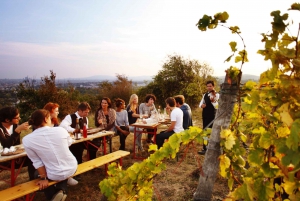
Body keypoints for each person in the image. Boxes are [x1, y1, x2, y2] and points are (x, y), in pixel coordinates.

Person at [23, 109, 77, 201]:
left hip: (54, 174)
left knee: (37, 174)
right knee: (59, 173)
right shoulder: (61, 130)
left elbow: (37, 162)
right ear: (45, 119)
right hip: (72, 167)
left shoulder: (27, 139)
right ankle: (61, 190)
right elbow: (68, 143)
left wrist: (43, 178)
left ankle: (54, 195)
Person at [44, 102, 78, 186]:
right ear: (49, 112)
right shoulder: (40, 124)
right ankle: (64, 179)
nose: (58, 113)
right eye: (56, 111)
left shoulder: (55, 122)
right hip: (46, 148)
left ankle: (67, 177)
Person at [0, 106, 35, 180]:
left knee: (35, 155)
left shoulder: (14, 126)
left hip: (15, 156)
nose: (19, 119)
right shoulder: (1, 129)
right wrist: (18, 130)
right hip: (4, 160)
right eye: (17, 117)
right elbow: (6, 145)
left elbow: (16, 145)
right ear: (7, 120)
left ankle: (34, 180)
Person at [198, 80, 219, 155]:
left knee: (212, 132)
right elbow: (200, 104)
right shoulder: (205, 95)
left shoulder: (217, 95)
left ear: (213, 86)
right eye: (207, 86)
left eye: (210, 86)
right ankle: (205, 147)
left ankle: (212, 148)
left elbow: (217, 107)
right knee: (205, 132)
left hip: (212, 116)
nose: (209, 88)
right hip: (205, 115)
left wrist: (213, 101)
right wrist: (202, 106)